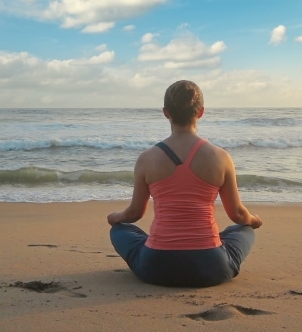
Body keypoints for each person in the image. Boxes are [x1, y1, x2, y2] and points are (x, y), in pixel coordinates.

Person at [107, 80, 262, 288]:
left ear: (166, 112)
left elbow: (135, 213)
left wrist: (115, 218)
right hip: (211, 268)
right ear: (201, 112)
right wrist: (254, 220)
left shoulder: (147, 158)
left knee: (119, 230)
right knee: (245, 230)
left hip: (156, 268)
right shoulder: (221, 157)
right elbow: (238, 214)